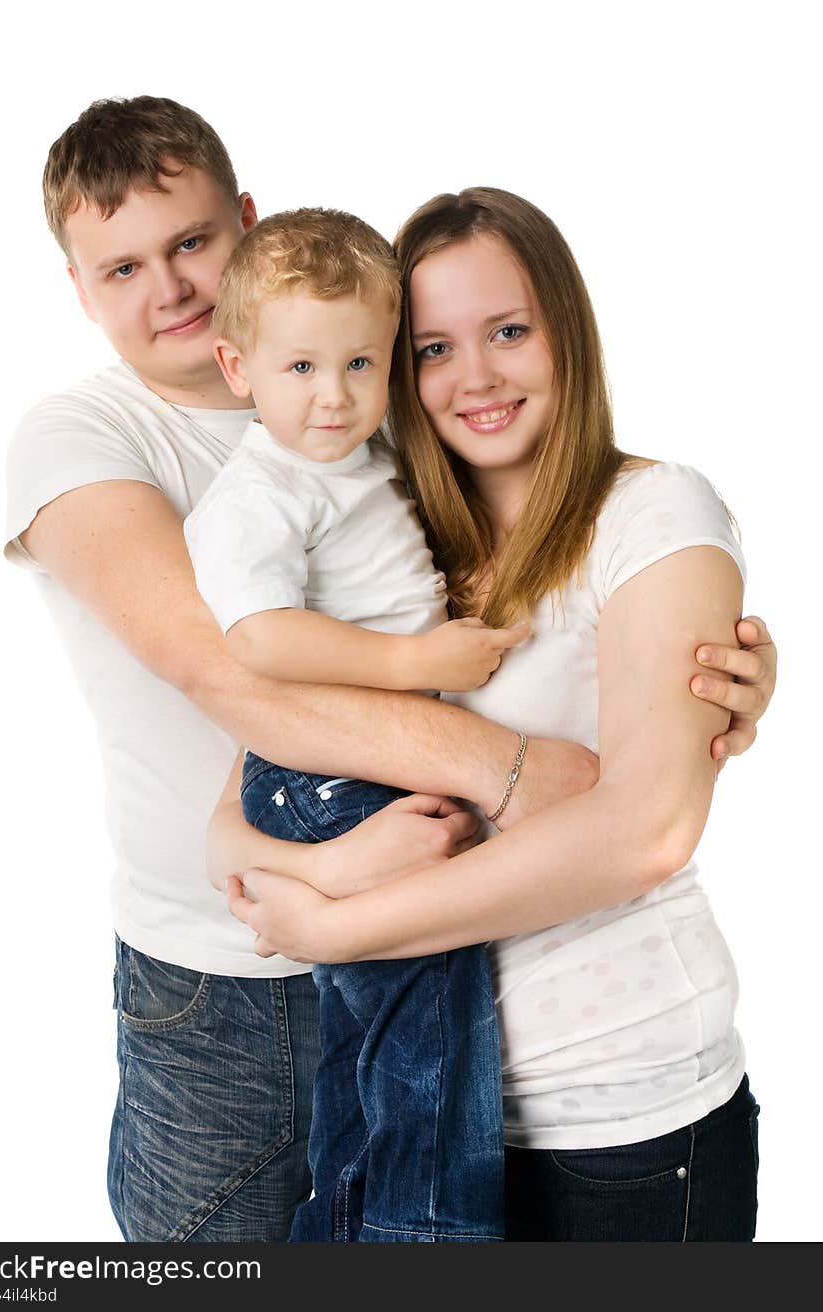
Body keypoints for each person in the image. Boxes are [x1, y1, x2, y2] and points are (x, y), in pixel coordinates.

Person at [3, 95, 775, 1243]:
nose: (166, 286)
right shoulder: (88, 440)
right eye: (119, 267)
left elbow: (644, 804)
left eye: (192, 244)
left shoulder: (398, 477)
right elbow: (231, 678)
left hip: (558, 1061)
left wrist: (703, 678)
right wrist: (508, 771)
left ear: (250, 233)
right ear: (75, 288)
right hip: (228, 973)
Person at [224, 188, 768, 1241]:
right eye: (432, 348)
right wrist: (323, 866)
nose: (473, 376)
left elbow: (646, 829)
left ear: (567, 331)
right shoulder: (378, 545)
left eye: (508, 331)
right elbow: (239, 804)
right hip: (419, 1121)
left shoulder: (653, 514)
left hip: (626, 1118)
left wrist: (337, 925)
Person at [184, 207, 519, 1242]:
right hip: (335, 776)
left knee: (394, 1044)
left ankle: (361, 1233)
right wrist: (416, 662)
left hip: (364, 757)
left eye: (360, 363)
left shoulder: (353, 459)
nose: (333, 397)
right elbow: (260, 639)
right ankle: (418, 1240)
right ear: (238, 367)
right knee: (424, 1037)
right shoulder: (259, 494)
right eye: (299, 368)